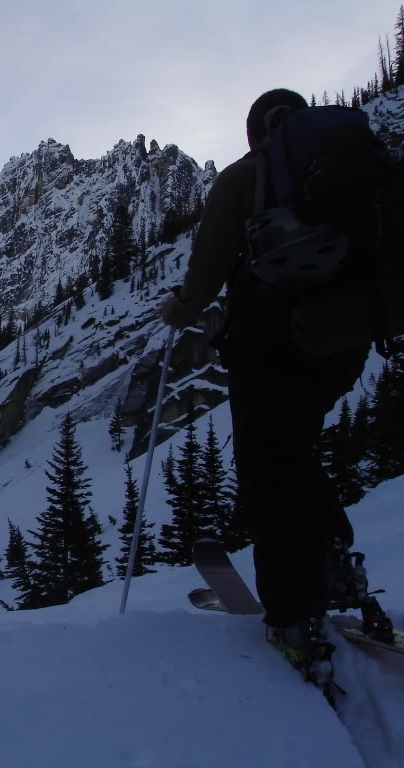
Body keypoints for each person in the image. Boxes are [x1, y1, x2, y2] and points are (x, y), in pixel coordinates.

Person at [161, 89, 374, 673]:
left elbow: (205, 276)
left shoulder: (247, 178)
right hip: (344, 343)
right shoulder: (358, 175)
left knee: (269, 471)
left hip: (272, 343)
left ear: (257, 132)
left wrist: (180, 310)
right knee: (297, 449)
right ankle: (332, 566)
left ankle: (292, 616)